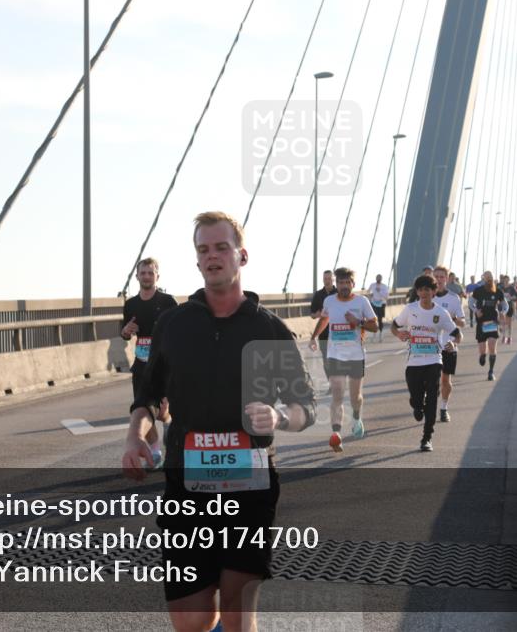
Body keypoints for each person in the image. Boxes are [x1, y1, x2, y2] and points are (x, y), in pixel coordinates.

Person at [122, 211, 316, 632]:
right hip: (187, 487)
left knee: (236, 606)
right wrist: (135, 437)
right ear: (196, 262)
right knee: (192, 619)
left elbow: (306, 407)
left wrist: (280, 415)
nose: (213, 256)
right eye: (203, 249)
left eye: (221, 247)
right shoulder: (175, 325)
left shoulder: (270, 330)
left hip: (251, 488)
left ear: (241, 256)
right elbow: (149, 397)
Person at [310, 267, 378, 452]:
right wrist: (314, 336)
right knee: (337, 395)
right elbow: (324, 319)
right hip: (335, 355)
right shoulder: (329, 300)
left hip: (356, 356)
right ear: (336, 284)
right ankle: (336, 434)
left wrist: (358, 322)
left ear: (353, 284)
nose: (344, 286)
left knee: (355, 397)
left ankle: (356, 416)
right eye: (340, 282)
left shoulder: (362, 301)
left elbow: (375, 326)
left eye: (347, 282)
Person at [392, 274, 461, 451]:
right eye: (421, 290)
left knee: (431, 400)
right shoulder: (410, 309)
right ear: (417, 291)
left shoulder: (441, 313)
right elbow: (394, 325)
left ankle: (427, 438)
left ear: (434, 292)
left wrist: (453, 342)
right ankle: (416, 404)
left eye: (427, 290)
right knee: (416, 399)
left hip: (434, 361)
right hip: (413, 363)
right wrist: (399, 334)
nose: (424, 293)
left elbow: (456, 333)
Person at [121, 258, 178, 468]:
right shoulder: (131, 304)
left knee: (164, 408)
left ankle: (169, 422)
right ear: (136, 276)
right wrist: (125, 331)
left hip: (165, 365)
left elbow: (179, 331)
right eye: (142, 273)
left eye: (150, 273)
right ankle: (155, 451)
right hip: (142, 365)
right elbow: (125, 332)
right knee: (143, 406)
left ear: (157, 276)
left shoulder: (168, 302)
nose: (146, 276)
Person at [432, 266, 466, 422]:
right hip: (430, 345)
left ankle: (444, 408)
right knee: (430, 380)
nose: (438, 280)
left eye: (441, 277)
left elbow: (463, 322)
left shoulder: (453, 298)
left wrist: (452, 320)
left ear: (447, 279)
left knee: (446, 380)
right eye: (436, 276)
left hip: (448, 344)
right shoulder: (427, 296)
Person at [469, 270, 506, 381]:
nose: (489, 278)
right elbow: (471, 302)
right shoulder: (478, 290)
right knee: (482, 350)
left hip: (493, 322)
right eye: (487, 277)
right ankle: (482, 355)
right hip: (481, 322)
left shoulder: (498, 291)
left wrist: (503, 312)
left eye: (490, 276)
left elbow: (505, 304)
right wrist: (476, 310)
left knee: (492, 346)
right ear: (483, 278)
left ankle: (491, 372)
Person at [310, 270, 338, 383]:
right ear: (323, 279)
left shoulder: (339, 293)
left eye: (329, 279)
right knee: (326, 359)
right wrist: (318, 314)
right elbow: (312, 314)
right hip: (323, 332)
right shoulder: (318, 294)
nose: (327, 281)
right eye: (325, 279)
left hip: (338, 331)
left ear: (333, 280)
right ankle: (331, 383)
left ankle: (337, 382)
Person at [366, 274, 390, 341]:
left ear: (381, 279)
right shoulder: (372, 285)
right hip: (374, 303)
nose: (378, 279)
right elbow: (368, 292)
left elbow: (387, 297)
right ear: (375, 278)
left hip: (381, 304)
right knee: (374, 319)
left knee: (380, 319)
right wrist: (370, 295)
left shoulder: (384, 286)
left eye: (379, 278)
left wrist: (380, 291)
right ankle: (374, 334)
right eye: (377, 278)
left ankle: (380, 335)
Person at [500, 275, 517, 345]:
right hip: (502, 307)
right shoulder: (500, 287)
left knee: (509, 323)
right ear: (503, 280)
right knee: (503, 322)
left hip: (510, 306)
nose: (505, 282)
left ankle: (509, 337)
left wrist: (511, 298)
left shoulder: (511, 288)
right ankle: (504, 336)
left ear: (509, 280)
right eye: (504, 280)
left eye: (507, 280)